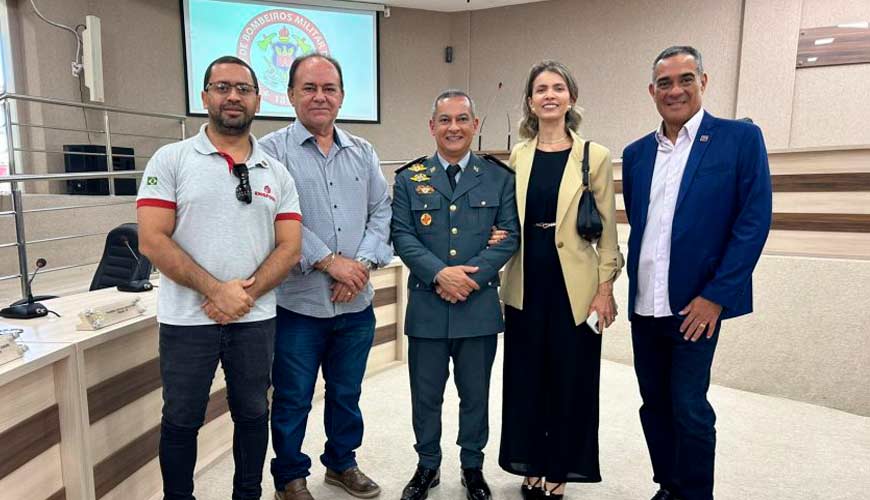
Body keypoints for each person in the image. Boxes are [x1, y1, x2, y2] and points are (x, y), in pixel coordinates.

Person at [137, 55, 302, 500]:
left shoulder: (276, 172)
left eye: (243, 89)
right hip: (186, 320)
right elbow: (152, 240)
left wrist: (242, 296)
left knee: (253, 415)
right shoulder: (171, 159)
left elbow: (290, 247)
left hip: (255, 319)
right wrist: (216, 291)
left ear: (257, 100)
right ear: (205, 96)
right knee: (181, 419)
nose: (233, 96)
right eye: (222, 87)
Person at [621, 46, 772, 500]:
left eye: (685, 79)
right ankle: (669, 486)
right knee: (654, 405)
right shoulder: (636, 154)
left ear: (703, 82)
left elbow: (753, 222)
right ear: (652, 91)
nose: (675, 90)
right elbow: (644, 226)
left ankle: (695, 494)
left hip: (696, 305)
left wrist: (717, 296)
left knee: (689, 407)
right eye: (665, 83)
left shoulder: (739, 140)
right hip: (645, 303)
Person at [259, 53, 393, 500]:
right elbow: (274, 215)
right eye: (310, 88)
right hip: (297, 305)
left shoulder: (363, 151)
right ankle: (290, 477)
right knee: (293, 397)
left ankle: (341, 462)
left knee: (346, 393)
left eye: (329, 88)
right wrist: (329, 262)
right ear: (291, 95)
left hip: (355, 304)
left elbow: (381, 211)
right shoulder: (271, 152)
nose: (320, 97)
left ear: (341, 96)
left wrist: (360, 267)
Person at [496, 60, 623, 500]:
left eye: (557, 88)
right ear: (530, 102)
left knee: (571, 382)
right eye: (541, 89)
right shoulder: (519, 155)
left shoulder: (595, 156)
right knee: (526, 379)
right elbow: (506, 218)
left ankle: (561, 469)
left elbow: (608, 231)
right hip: (525, 282)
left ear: (571, 98)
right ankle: (530, 463)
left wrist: (605, 289)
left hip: (578, 287)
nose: (549, 95)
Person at [391, 89, 520, 500]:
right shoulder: (409, 178)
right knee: (425, 396)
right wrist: (440, 275)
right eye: (444, 120)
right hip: (428, 306)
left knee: (475, 395)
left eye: (462, 119)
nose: (454, 127)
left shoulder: (499, 177)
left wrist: (468, 279)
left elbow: (509, 236)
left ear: (475, 125)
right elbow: (402, 235)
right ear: (432, 126)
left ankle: (472, 467)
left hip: (477, 307)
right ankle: (427, 465)